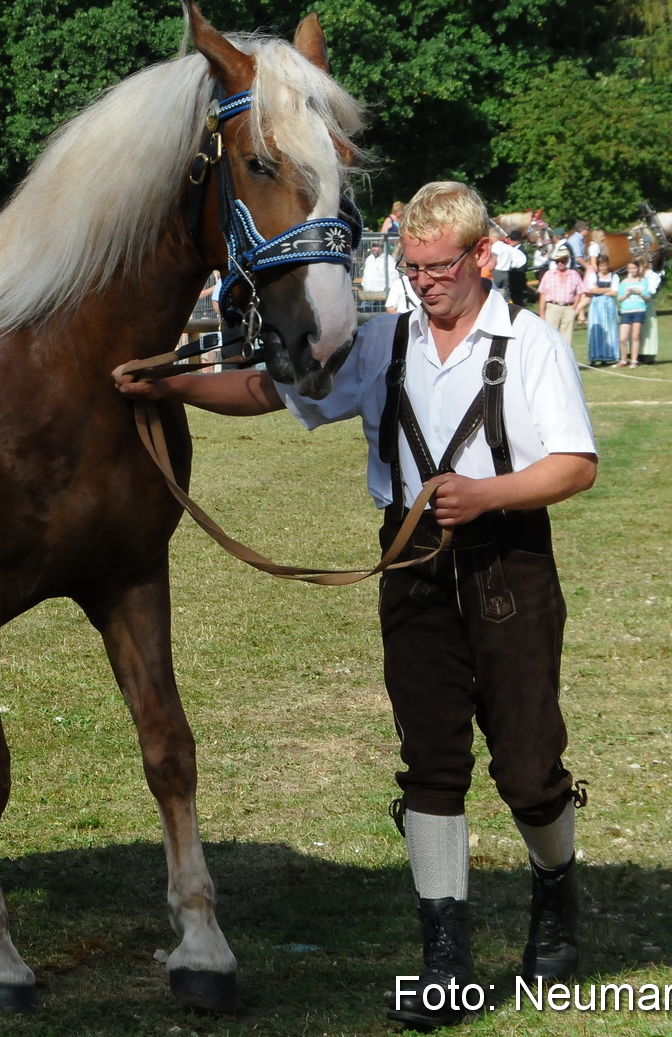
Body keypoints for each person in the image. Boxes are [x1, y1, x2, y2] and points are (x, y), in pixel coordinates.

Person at [116, 181, 597, 1028]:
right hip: (409, 562)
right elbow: (273, 392)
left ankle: (554, 891)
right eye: (410, 268)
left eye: (438, 267)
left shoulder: (527, 345)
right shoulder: (384, 342)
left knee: (527, 765)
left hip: (505, 566)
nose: (422, 283)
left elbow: (574, 464)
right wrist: (171, 391)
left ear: (482, 256)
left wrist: (489, 496)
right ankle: (444, 954)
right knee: (431, 761)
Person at [537, 246, 583, 345]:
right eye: (557, 261)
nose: (560, 263)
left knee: (567, 338)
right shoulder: (549, 274)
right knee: (550, 336)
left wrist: (575, 307)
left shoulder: (574, 274)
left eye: (562, 261)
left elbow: (579, 292)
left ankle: (565, 359)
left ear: (566, 261)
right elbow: (542, 294)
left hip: (568, 307)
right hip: (552, 307)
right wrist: (541, 313)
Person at [614, 261, 653, 367]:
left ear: (638, 268)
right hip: (626, 311)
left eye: (634, 268)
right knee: (622, 338)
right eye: (630, 268)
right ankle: (623, 360)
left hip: (639, 310)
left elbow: (648, 298)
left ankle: (634, 360)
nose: (632, 270)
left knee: (635, 335)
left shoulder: (643, 281)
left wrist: (640, 293)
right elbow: (619, 299)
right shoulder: (624, 282)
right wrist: (626, 294)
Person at [583, 255, 619, 366]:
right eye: (601, 266)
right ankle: (595, 356)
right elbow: (593, 290)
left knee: (609, 329)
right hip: (596, 306)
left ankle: (607, 356)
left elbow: (615, 292)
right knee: (596, 329)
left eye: (605, 265)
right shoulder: (593, 276)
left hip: (609, 305)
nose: (603, 268)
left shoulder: (614, 276)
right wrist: (607, 289)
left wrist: (600, 290)